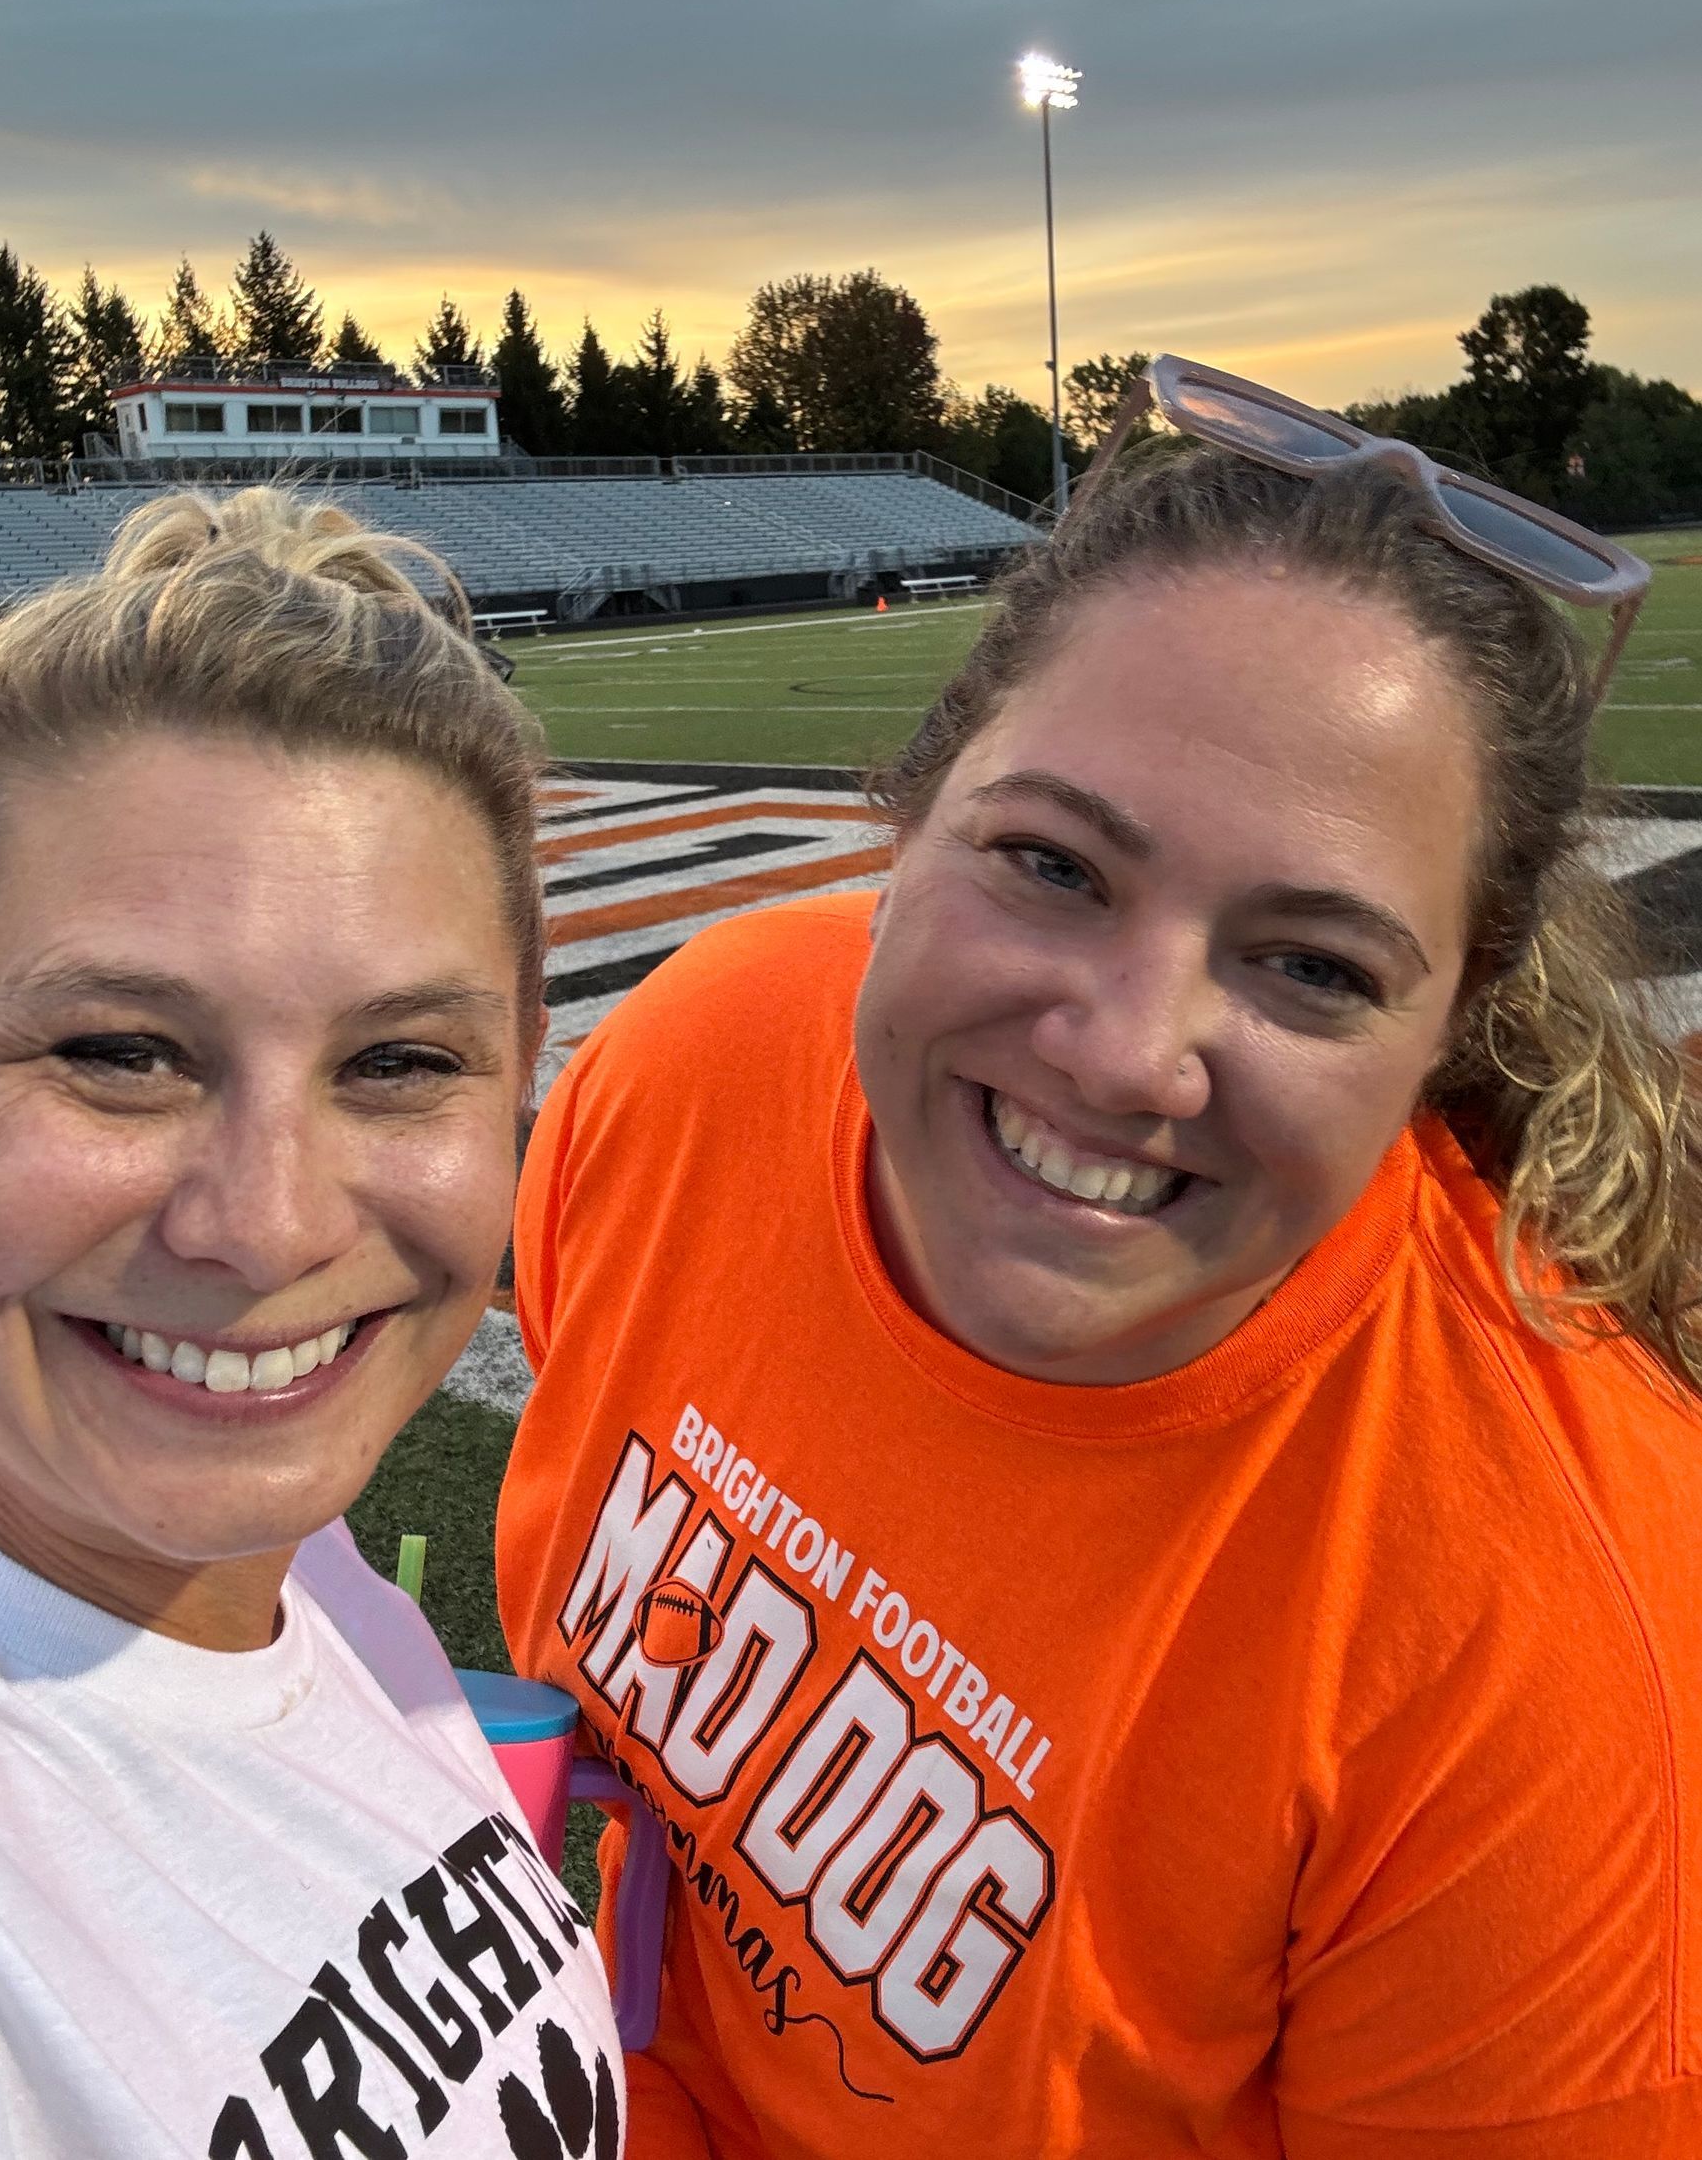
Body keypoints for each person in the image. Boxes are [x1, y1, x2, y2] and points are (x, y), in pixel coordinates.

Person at [497, 355, 1702, 2158]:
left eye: (1312, 966)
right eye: (1053, 866)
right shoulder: (697, 1066)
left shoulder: (1545, 1638)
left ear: (1446, 1024)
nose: (1131, 1055)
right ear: (913, 810)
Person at [0, 488, 621, 2159]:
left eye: (399, 1063)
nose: (265, 1228)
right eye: (119, 1050)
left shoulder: (298, 1564)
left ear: (521, 1073)